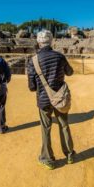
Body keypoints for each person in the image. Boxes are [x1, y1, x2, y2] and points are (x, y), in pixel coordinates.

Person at [27, 30, 75, 170]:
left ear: (38, 42)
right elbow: (70, 72)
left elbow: (31, 87)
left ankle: (47, 159)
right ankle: (70, 154)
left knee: (46, 129)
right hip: (60, 98)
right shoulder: (59, 57)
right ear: (51, 41)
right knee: (64, 125)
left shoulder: (33, 60)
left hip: (43, 100)